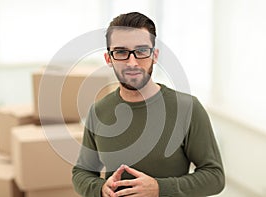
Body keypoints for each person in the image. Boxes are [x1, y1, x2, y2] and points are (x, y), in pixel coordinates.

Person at [72, 12, 225, 197]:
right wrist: (101, 189)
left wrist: (159, 188)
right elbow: (82, 173)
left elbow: (215, 177)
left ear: (155, 55)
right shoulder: (98, 111)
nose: (132, 62)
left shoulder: (187, 108)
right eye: (120, 52)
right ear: (108, 59)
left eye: (141, 51)